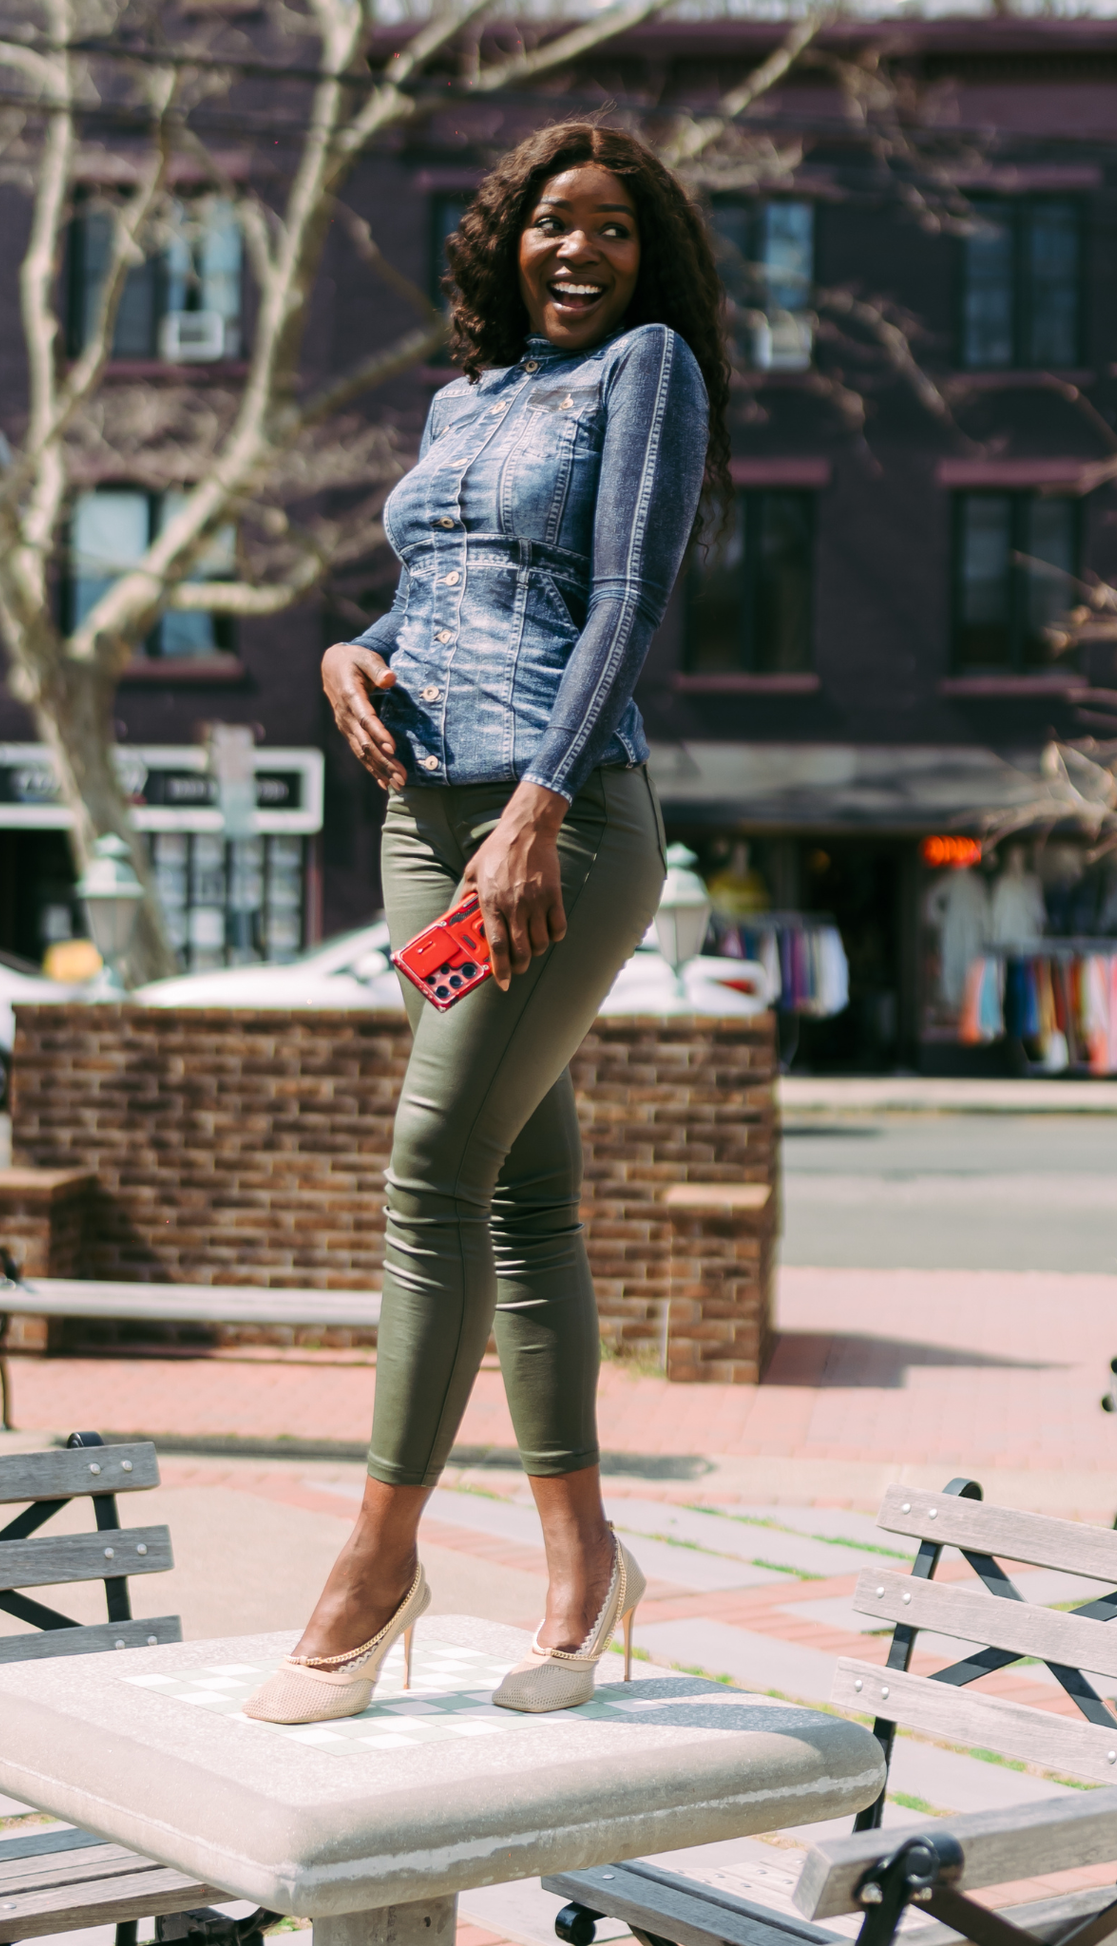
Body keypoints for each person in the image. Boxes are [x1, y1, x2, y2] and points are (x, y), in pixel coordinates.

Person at [244, 121, 730, 1726]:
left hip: (557, 827)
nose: (575, 250)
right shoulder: (469, 400)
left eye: (606, 227)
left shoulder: (645, 371)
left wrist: (534, 805)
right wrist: (346, 651)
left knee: (426, 1164)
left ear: (643, 252)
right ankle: (585, 1564)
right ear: (504, 245)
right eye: (548, 223)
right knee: (522, 1192)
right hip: (418, 824)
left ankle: (374, 1564)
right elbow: (444, 582)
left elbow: (620, 598)